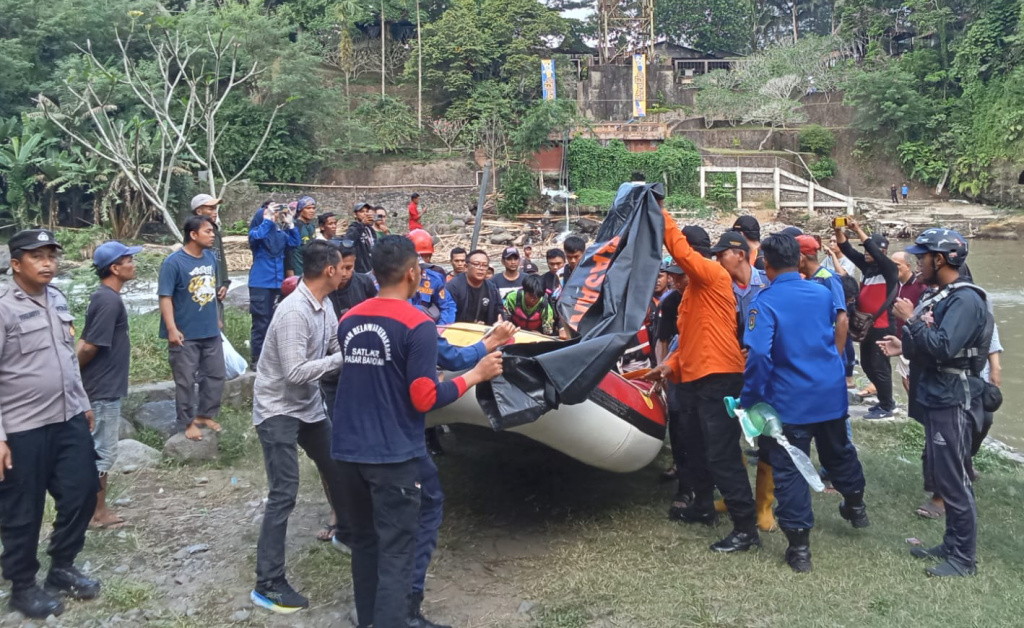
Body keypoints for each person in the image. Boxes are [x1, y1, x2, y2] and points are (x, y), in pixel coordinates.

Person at [331, 235, 503, 628]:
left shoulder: (349, 318)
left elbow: (380, 377)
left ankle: (370, 619)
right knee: (396, 548)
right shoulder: (417, 325)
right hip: (392, 453)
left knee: (366, 542)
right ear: (413, 273)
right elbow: (424, 398)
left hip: (347, 448)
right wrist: (475, 375)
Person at [742, 234, 869, 573]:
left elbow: (758, 354)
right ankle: (856, 505)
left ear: (765, 263)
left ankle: (799, 550)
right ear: (798, 259)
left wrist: (751, 398)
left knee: (791, 470)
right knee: (839, 451)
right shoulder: (822, 292)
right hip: (829, 393)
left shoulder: (763, 301)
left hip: (791, 400)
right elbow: (836, 326)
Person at [0, 229, 101, 618]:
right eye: (37, 256)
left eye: (51, 256)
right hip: (22, 426)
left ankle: (62, 565)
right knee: (22, 509)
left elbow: (66, 360)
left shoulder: (57, 298)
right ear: (15, 264)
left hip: (68, 416)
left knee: (83, 490)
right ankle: (23, 585)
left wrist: (83, 403)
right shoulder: (5, 307)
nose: (47, 263)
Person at [643, 215, 759, 554]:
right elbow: (691, 341)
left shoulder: (711, 275)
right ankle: (703, 506)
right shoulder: (690, 296)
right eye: (673, 276)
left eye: (678, 273)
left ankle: (745, 528)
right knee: (693, 447)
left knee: (721, 453)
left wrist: (659, 212)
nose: (675, 279)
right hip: (693, 378)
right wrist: (667, 366)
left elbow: (681, 250)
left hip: (720, 376)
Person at [877, 228, 989, 577]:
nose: (917, 262)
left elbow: (944, 347)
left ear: (939, 260)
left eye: (922, 256)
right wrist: (903, 345)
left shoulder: (966, 300)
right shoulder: (941, 295)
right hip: (936, 395)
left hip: (953, 399)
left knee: (955, 480)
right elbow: (928, 344)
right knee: (944, 475)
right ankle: (952, 543)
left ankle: (963, 559)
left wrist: (910, 318)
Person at [250, 241, 349, 614]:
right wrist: (340, 360)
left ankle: (348, 533)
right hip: (278, 408)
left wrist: (352, 350)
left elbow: (339, 342)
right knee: (283, 493)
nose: (345, 273)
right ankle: (268, 583)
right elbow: (293, 372)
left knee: (337, 466)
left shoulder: (324, 305)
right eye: (341, 268)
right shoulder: (294, 312)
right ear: (328, 270)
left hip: (308, 405)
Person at [709, 231, 775, 532]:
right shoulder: (719, 286)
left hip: (763, 371)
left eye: (721, 254)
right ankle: (731, 494)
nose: (717, 260)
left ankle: (764, 506)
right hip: (729, 370)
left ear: (739, 253)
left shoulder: (768, 283)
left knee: (766, 435)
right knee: (729, 433)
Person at [78, 241, 142, 531]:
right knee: (102, 453)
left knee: (99, 451)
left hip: (103, 386)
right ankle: (96, 513)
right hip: (102, 389)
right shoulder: (108, 300)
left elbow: (83, 339)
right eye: (128, 259)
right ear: (115, 268)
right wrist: (70, 377)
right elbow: (89, 346)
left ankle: (93, 510)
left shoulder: (105, 297)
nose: (133, 263)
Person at [158, 215, 226, 441]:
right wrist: (171, 328)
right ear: (193, 234)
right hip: (185, 333)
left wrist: (216, 318)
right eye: (207, 231)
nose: (212, 235)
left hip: (210, 330)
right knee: (185, 379)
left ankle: (205, 414)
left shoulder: (209, 258)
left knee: (215, 374)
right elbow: (165, 297)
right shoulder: (173, 263)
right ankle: (186, 422)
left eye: (212, 231)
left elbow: (211, 291)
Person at [836, 219, 899, 419]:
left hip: (883, 326)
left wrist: (858, 230)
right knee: (867, 364)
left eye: (870, 250)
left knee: (880, 366)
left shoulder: (890, 270)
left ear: (882, 252)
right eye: (865, 250)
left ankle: (887, 406)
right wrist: (838, 230)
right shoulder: (868, 269)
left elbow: (874, 250)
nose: (866, 252)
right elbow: (846, 249)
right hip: (867, 326)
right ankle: (884, 399)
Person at [248, 202, 302, 368]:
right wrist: (267, 219)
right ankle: (257, 358)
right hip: (261, 283)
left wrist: (291, 224)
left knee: (277, 320)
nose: (274, 216)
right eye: (269, 214)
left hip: (278, 282)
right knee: (261, 321)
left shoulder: (279, 234)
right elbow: (257, 237)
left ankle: (274, 357)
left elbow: (294, 243)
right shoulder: (256, 233)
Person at [795, 236, 849, 354]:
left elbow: (842, 317)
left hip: (828, 348)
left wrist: (837, 355)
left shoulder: (828, 278)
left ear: (801, 257)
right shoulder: (803, 280)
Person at [407, 229, 455, 325]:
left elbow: (446, 307)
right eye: (421, 256)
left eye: (428, 256)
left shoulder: (435, 279)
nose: (425, 260)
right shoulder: (397, 279)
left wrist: (440, 328)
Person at [191, 194, 231, 303]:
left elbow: (221, 258)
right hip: (201, 289)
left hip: (217, 289)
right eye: (210, 209)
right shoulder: (193, 233)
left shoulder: (215, 232)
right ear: (199, 211)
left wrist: (225, 283)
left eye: (215, 208)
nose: (215, 212)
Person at [446, 250, 501, 325]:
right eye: (476, 264)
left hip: (485, 331)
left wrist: (499, 322)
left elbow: (498, 311)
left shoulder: (491, 288)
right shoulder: (453, 287)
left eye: (485, 265)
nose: (481, 268)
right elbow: (447, 314)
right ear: (466, 267)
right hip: (458, 330)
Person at [286, 195, 318, 277]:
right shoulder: (293, 226)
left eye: (313, 208)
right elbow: (289, 251)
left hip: (309, 270)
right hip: (297, 271)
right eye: (308, 208)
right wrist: (290, 271)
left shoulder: (311, 227)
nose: (312, 211)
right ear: (300, 210)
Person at [345, 201, 378, 274]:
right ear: (355, 215)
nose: (365, 213)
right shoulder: (353, 228)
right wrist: (362, 224)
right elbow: (348, 241)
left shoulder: (370, 229)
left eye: (367, 211)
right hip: (360, 269)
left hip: (371, 267)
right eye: (362, 211)